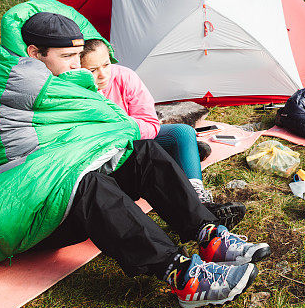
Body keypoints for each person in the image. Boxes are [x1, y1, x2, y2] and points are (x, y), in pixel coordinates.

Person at [0, 0, 271, 308]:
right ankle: (183, 276)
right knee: (84, 182)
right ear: (34, 54)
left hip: (60, 200)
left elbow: (104, 129)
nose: (76, 67)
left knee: (142, 153)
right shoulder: (9, 85)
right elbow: (21, 167)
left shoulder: (61, 82)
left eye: (78, 56)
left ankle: (209, 235)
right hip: (27, 218)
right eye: (66, 57)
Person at [80, 38, 213, 202]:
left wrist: (123, 128)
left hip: (138, 141)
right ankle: (178, 156)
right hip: (107, 156)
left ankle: (197, 196)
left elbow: (150, 124)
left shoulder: (124, 76)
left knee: (183, 132)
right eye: (92, 70)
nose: (103, 74)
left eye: (106, 65)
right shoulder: (74, 91)